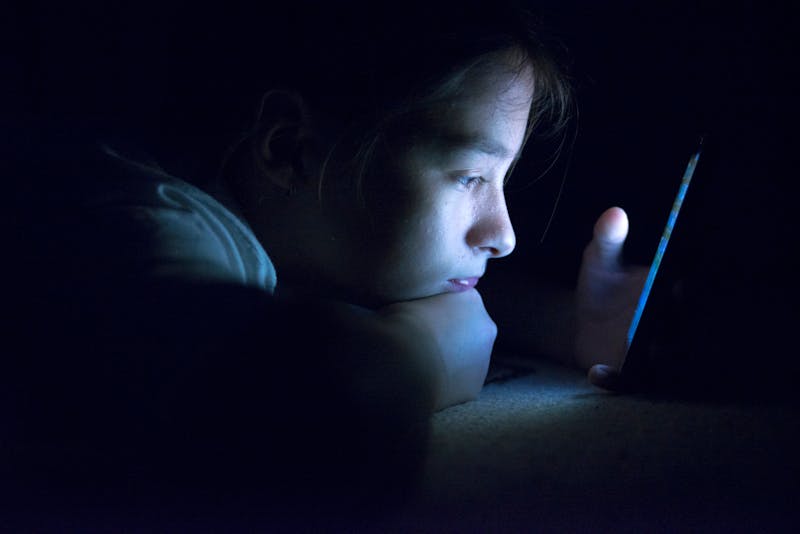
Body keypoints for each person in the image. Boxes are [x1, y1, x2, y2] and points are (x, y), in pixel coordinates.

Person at [8, 0, 647, 522]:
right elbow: (310, 420)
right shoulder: (152, 226)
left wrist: (565, 325)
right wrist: (416, 356)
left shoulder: (272, 223)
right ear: (291, 149)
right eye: (468, 176)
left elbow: (347, 290)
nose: (503, 234)